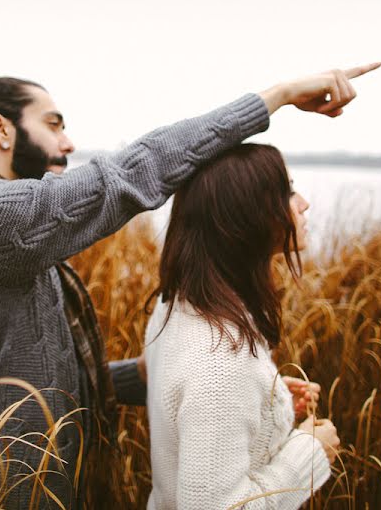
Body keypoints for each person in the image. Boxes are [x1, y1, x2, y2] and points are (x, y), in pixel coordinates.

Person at [0, 63, 379, 509]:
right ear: (0, 129)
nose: (67, 142)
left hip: (37, 488)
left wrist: (152, 375)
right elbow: (126, 176)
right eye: (53, 125)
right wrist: (276, 97)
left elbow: (31, 379)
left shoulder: (14, 239)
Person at [143, 143, 341, 509]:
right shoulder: (222, 360)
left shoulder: (173, 303)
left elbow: (193, 415)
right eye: (287, 191)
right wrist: (309, 452)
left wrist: (272, 406)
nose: (303, 203)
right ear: (247, 215)